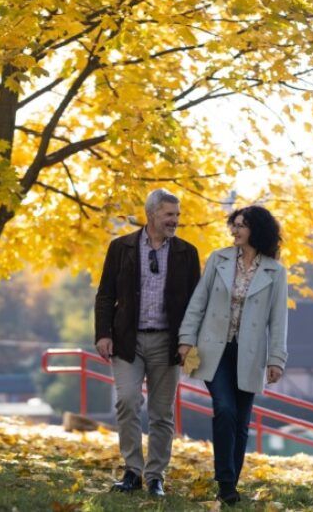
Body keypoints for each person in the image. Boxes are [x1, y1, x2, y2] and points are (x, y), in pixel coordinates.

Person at [178, 206, 288, 506]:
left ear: (257, 230)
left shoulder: (275, 272)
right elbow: (198, 300)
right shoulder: (219, 258)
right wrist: (186, 339)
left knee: (240, 422)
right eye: (234, 224)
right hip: (214, 349)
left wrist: (277, 359)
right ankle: (225, 480)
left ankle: (230, 486)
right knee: (225, 408)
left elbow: (278, 320)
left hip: (250, 354)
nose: (235, 230)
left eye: (241, 225)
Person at [94, 188, 201, 498]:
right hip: (128, 341)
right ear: (151, 214)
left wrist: (188, 341)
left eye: (177, 215)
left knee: (161, 413)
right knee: (127, 400)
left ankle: (155, 476)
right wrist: (103, 334)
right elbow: (105, 295)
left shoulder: (186, 252)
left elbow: (196, 303)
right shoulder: (121, 247)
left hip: (169, 344)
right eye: (169, 214)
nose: (175, 221)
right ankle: (132, 471)